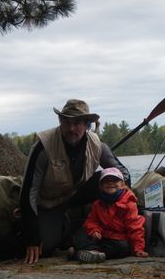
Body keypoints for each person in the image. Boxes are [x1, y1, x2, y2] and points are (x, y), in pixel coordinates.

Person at [20, 99, 131, 264]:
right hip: (48, 203)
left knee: (106, 179)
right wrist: (32, 238)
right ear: (60, 121)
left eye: (77, 122)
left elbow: (124, 175)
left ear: (87, 124)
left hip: (76, 196)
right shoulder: (43, 146)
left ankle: (96, 229)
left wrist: (124, 206)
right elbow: (28, 192)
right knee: (45, 248)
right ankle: (65, 229)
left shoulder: (97, 144)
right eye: (66, 122)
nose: (71, 128)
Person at [72, 167, 148, 263]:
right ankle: (92, 252)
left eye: (115, 180)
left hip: (117, 240)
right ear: (100, 186)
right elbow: (91, 221)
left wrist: (138, 248)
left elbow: (135, 228)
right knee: (80, 233)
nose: (110, 183)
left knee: (123, 247)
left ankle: (80, 253)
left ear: (122, 184)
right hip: (101, 238)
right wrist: (95, 230)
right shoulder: (97, 204)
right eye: (106, 181)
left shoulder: (129, 204)